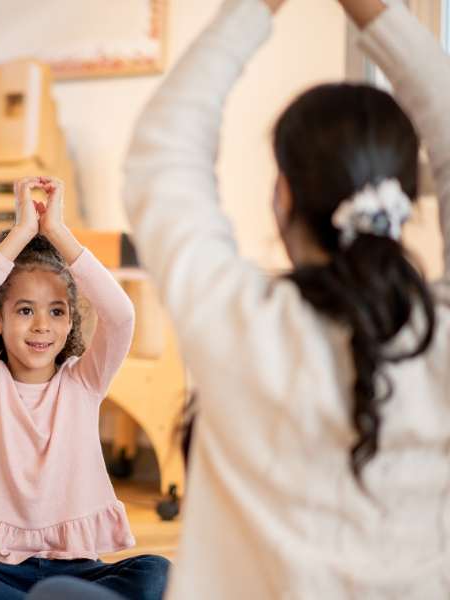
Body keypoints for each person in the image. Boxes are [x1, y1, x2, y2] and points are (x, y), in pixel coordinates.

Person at [120, 0, 450, 597]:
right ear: (405, 201)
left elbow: (162, 149)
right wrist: (381, 15)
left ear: (284, 197)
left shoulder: (240, 320)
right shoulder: (439, 337)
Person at [0, 176, 170, 600]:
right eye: (25, 310)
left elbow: (121, 316)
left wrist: (57, 232)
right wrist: (21, 233)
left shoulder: (83, 382)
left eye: (56, 311)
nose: (41, 326)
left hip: (78, 571)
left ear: (70, 321)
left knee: (158, 572)